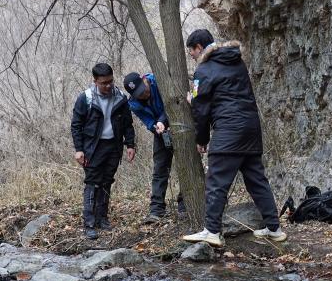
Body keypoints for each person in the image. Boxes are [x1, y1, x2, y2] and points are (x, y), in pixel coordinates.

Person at [181, 29, 286, 247]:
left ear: (199, 48)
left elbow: (202, 109)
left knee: (216, 182)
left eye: (191, 51)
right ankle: (274, 228)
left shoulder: (204, 69)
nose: (191, 55)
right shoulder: (237, 62)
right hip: (251, 129)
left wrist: (202, 139)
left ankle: (211, 231)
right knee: (257, 180)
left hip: (228, 131)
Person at [71, 63, 136, 239]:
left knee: (107, 182)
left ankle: (102, 218)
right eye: (103, 83)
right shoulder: (85, 98)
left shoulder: (120, 98)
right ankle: (89, 223)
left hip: (114, 146)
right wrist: (79, 150)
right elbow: (76, 125)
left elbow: (128, 124)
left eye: (110, 81)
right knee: (92, 183)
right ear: (95, 81)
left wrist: (130, 145)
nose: (108, 86)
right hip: (93, 147)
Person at [123, 71, 186, 222]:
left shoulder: (159, 81)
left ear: (145, 80)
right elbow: (147, 121)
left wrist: (162, 120)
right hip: (161, 133)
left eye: (143, 90)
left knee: (186, 165)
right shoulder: (133, 104)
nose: (143, 94)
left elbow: (172, 103)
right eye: (139, 94)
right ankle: (157, 209)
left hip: (179, 123)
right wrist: (155, 127)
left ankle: (185, 204)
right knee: (160, 169)